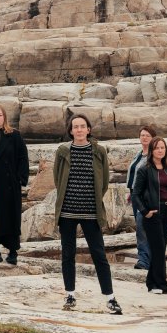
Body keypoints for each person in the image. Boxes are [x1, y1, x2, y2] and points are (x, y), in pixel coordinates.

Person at [53, 114, 119, 314]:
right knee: (67, 254)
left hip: (91, 211)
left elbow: (105, 180)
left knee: (99, 254)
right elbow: (58, 179)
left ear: (88, 129)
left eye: (83, 126)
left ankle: (110, 298)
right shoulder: (63, 151)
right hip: (67, 212)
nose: (79, 130)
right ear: (71, 131)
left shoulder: (98, 151)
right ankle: (70, 294)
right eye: (76, 127)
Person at [130, 136, 167, 295]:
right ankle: (162, 284)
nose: (160, 150)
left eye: (163, 148)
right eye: (157, 148)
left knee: (161, 248)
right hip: (153, 213)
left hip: (166, 212)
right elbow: (135, 194)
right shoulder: (144, 169)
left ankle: (152, 283)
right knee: (158, 249)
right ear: (152, 150)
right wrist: (145, 211)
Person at [0, 104, 29, 266]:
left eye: (0, 115)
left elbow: (23, 156)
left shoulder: (14, 135)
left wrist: (21, 178)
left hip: (9, 184)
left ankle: (13, 251)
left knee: (11, 217)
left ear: (4, 118)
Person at [125, 125, 156, 270]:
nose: (144, 138)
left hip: (145, 196)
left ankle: (144, 261)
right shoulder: (139, 154)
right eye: (142, 135)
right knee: (141, 227)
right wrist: (130, 191)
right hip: (135, 195)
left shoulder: (153, 156)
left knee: (142, 227)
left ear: (153, 139)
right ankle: (146, 259)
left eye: (147, 136)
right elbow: (133, 174)